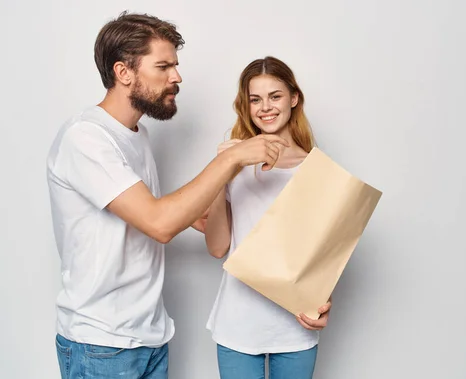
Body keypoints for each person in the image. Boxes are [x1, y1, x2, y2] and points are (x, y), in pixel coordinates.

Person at [47, 12, 288, 379]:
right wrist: (233, 158)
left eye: (175, 65)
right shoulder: (87, 139)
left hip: (149, 336)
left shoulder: (135, 134)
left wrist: (205, 216)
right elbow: (159, 223)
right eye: (163, 66)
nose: (177, 77)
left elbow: (149, 211)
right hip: (101, 346)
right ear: (123, 72)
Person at [204, 56, 332, 379]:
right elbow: (218, 247)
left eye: (275, 96)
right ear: (245, 106)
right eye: (255, 99)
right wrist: (223, 170)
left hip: (295, 327)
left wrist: (324, 298)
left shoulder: (317, 169)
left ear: (293, 98)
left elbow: (325, 252)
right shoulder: (234, 164)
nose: (266, 107)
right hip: (237, 324)